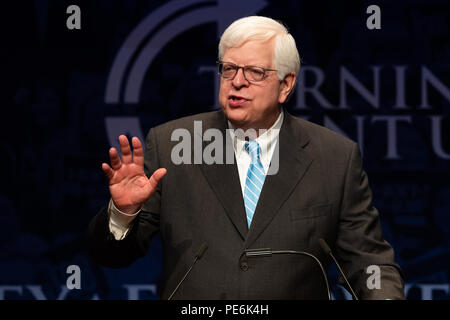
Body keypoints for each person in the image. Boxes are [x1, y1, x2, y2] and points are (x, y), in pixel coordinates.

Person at [88, 16, 405, 299]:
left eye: (255, 72)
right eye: (229, 69)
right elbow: (113, 256)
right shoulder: (172, 145)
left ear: (286, 85)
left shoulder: (334, 157)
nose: (237, 81)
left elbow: (367, 260)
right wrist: (123, 214)